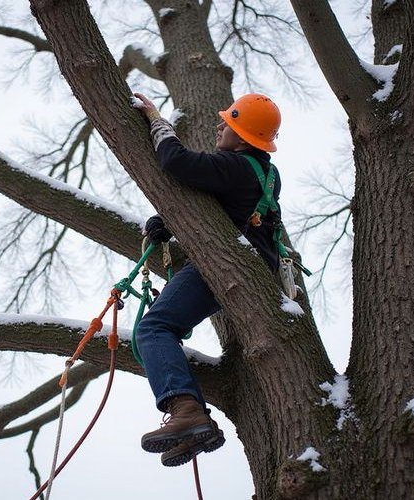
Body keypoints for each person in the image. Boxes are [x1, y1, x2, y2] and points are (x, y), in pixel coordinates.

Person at [131, 92, 283, 467]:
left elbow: (176, 162)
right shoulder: (262, 172)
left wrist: (156, 121)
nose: (220, 127)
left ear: (245, 138)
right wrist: (167, 223)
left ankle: (186, 411)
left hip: (230, 263)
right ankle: (199, 428)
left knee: (154, 329)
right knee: (162, 326)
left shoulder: (235, 165)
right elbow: (216, 207)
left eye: (229, 124)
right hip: (252, 263)